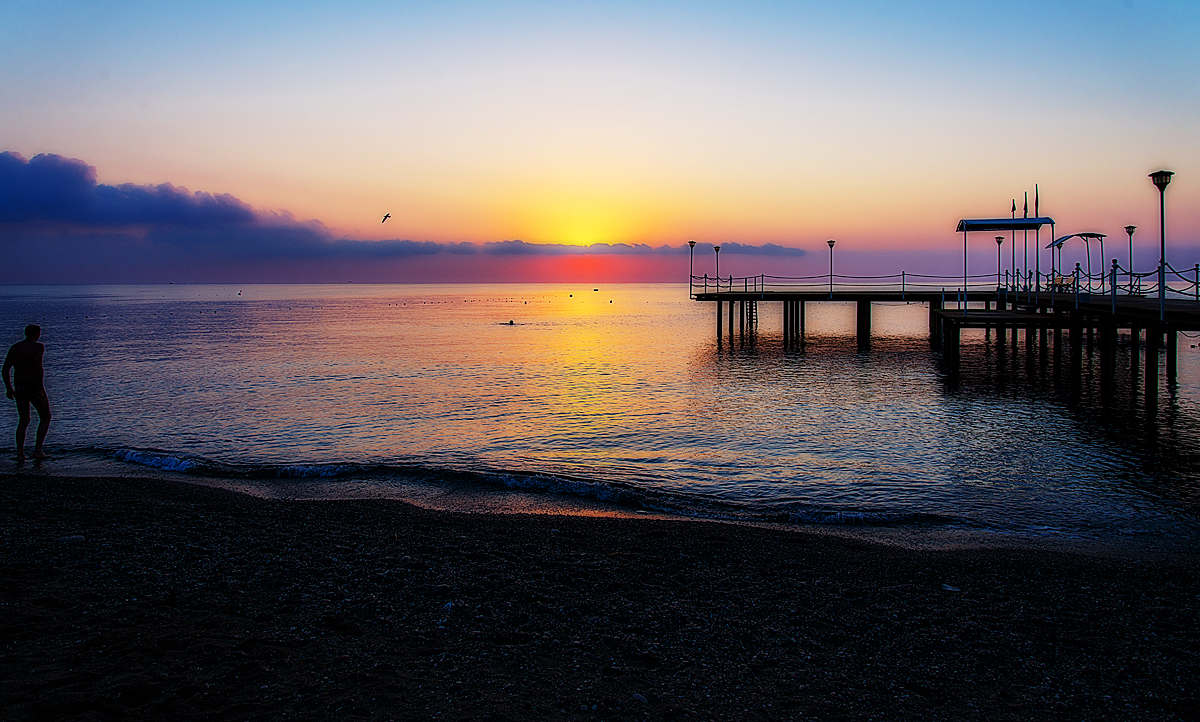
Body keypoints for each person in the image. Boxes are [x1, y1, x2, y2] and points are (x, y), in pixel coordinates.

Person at [3, 325, 51, 461]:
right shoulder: (37, 347)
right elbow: (38, 367)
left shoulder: (15, 348)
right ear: (37, 334)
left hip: (19, 385)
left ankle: (19, 453)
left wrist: (8, 387)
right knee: (45, 416)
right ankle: (38, 450)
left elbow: (5, 369)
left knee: (23, 419)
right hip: (32, 384)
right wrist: (40, 387)